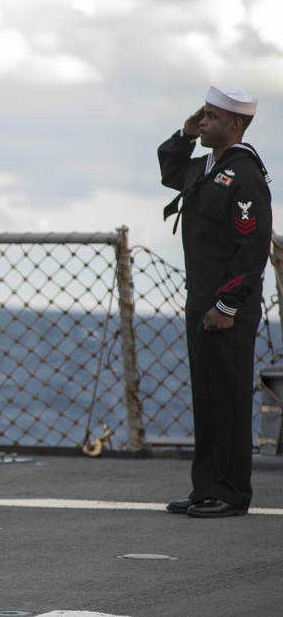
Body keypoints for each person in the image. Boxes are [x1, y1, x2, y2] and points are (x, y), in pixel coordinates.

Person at [159, 86, 272, 518]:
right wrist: (186, 134)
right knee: (206, 396)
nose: (203, 121)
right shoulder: (209, 167)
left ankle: (230, 492)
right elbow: (171, 171)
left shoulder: (242, 175)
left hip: (228, 307)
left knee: (227, 398)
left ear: (235, 124)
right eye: (202, 115)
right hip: (201, 299)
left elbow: (251, 248)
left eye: (210, 117)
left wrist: (226, 306)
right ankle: (206, 486)